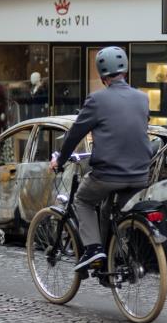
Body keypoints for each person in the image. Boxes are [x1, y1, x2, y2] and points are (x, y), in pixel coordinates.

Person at [48, 46, 153, 271]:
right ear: (124, 70)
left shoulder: (96, 100)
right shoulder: (142, 99)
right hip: (141, 175)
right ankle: (111, 262)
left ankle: (94, 250)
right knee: (106, 210)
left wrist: (61, 159)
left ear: (101, 74)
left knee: (83, 200)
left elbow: (75, 133)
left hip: (109, 174)